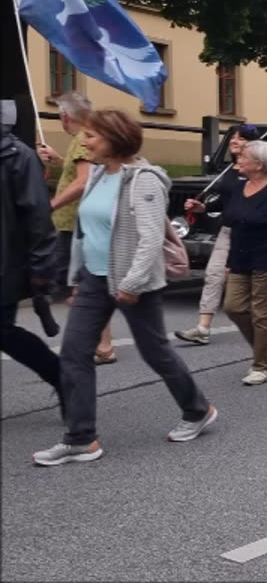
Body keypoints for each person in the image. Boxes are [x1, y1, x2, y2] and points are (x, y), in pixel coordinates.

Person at [35, 110, 217, 466]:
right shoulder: (99, 174)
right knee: (73, 354)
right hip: (93, 278)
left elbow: (150, 240)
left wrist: (132, 283)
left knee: (155, 352)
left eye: (93, 136)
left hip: (133, 281)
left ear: (114, 139)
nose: (85, 142)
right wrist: (77, 277)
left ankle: (197, 410)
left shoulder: (144, 181)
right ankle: (80, 439)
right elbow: (88, 232)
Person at [186, 141, 267, 385]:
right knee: (233, 307)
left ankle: (262, 366)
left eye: (244, 157)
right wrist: (202, 209)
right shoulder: (239, 187)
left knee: (261, 314)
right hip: (239, 258)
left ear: (258, 164)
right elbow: (232, 219)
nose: (238, 159)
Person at [175, 124, 267, 347]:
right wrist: (201, 208)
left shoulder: (258, 173)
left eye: (240, 138)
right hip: (229, 231)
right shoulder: (228, 171)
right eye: (232, 137)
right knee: (214, 274)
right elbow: (225, 202)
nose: (234, 141)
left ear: (253, 145)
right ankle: (203, 328)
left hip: (255, 233)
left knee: (261, 278)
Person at [39, 92, 116, 364]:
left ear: (64, 116)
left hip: (75, 226)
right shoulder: (83, 141)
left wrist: (51, 204)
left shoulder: (83, 141)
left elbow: (84, 181)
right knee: (84, 286)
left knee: (84, 286)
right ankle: (98, 343)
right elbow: (83, 173)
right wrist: (59, 160)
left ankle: (102, 345)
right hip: (76, 225)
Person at [1, 99, 63, 414]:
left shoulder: (18, 157)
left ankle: (63, 378)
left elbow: (39, 219)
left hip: (6, 263)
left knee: (3, 331)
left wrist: (41, 271)